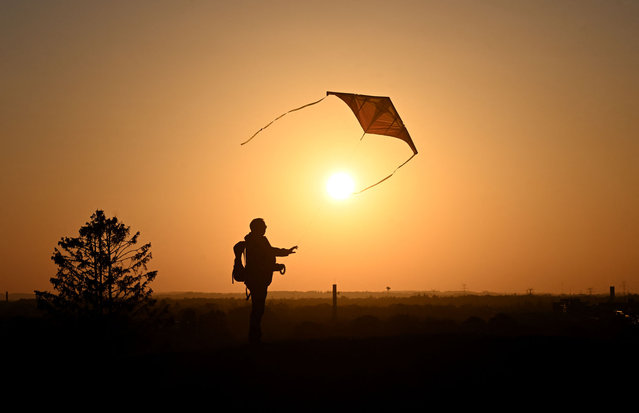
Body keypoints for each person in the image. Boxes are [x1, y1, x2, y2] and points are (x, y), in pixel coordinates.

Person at [243, 218, 297, 344]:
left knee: (258, 309)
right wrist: (278, 264)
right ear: (257, 228)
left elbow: (268, 253)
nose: (266, 228)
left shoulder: (255, 240)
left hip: (258, 279)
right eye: (264, 226)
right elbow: (263, 260)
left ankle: (255, 337)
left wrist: (285, 252)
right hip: (258, 280)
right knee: (258, 309)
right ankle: (254, 338)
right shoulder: (256, 242)